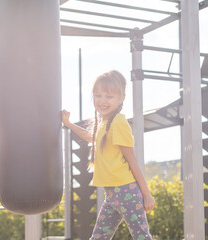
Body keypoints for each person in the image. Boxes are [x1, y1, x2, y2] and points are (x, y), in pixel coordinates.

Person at [62, 70, 155, 240]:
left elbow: (132, 160)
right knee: (98, 238)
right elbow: (91, 136)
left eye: (109, 96)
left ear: (121, 98)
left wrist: (146, 194)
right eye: (98, 95)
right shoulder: (105, 124)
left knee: (141, 237)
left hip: (127, 191)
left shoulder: (119, 123)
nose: (102, 101)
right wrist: (68, 123)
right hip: (111, 195)